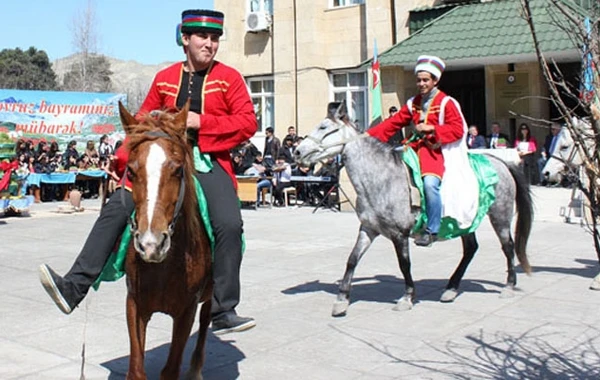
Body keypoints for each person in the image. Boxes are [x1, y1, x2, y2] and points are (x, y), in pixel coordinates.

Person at [38, 9, 257, 335]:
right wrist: (124, 163)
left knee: (229, 221)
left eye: (214, 38)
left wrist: (202, 122)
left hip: (206, 161)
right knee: (116, 208)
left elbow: (247, 123)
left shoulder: (229, 79)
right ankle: (74, 287)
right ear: (185, 39)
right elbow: (139, 124)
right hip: (162, 161)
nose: (210, 44)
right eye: (202, 37)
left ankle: (224, 309)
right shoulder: (165, 78)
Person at [367, 55, 469, 247]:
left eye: (425, 80)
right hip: (412, 149)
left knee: (430, 185)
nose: (421, 83)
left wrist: (432, 129)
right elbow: (392, 123)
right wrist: (367, 136)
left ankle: (432, 230)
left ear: (435, 81)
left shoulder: (447, 102)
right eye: (419, 80)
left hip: (434, 152)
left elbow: (458, 129)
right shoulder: (413, 102)